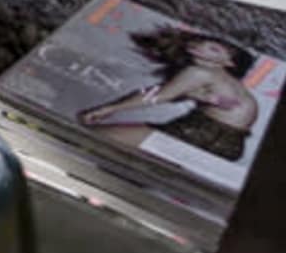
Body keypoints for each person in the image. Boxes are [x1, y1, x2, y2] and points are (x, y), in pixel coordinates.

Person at [80, 27, 261, 164]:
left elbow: (156, 96)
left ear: (228, 62)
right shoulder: (221, 80)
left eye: (214, 50)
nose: (202, 49)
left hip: (203, 132)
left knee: (90, 137)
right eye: (203, 44)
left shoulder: (201, 73)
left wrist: (108, 109)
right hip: (231, 146)